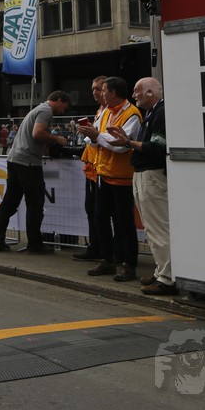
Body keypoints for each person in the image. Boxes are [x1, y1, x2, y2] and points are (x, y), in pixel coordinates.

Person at [109, 78, 174, 295]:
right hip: (145, 174)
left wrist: (127, 142)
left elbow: (156, 148)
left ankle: (167, 277)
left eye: (137, 91)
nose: (134, 95)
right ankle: (161, 271)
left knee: (158, 228)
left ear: (150, 92)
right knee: (151, 227)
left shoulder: (161, 113)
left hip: (152, 175)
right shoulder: (153, 113)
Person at [76, 77, 143, 282]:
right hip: (103, 174)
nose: (99, 94)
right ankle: (107, 259)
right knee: (101, 218)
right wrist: (91, 135)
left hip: (122, 177)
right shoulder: (105, 111)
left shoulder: (132, 114)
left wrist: (97, 136)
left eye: (103, 90)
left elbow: (121, 145)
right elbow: (97, 140)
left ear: (113, 92)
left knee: (124, 222)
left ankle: (128, 264)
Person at [0, 91, 72, 253]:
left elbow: (33, 136)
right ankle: (35, 243)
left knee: (10, 201)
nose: (63, 112)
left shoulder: (38, 109)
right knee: (35, 203)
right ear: (59, 101)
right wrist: (57, 139)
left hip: (15, 159)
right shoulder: (46, 111)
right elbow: (37, 133)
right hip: (28, 162)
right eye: (64, 108)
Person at [72, 76, 109, 264]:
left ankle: (104, 249)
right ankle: (96, 247)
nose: (95, 92)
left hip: (103, 169)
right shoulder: (100, 110)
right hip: (93, 167)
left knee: (101, 212)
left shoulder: (111, 111)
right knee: (92, 209)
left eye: (98, 89)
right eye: (93, 89)